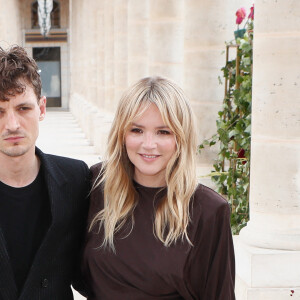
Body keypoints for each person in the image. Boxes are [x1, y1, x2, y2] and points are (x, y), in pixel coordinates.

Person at [82, 76, 235, 299]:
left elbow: (219, 293)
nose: (148, 144)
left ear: (180, 138)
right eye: (137, 130)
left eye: (163, 132)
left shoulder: (209, 210)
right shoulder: (96, 185)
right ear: (122, 134)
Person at [0, 45, 89, 300]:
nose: (12, 125)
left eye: (23, 108)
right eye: (0, 111)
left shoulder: (76, 178)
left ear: (41, 108)